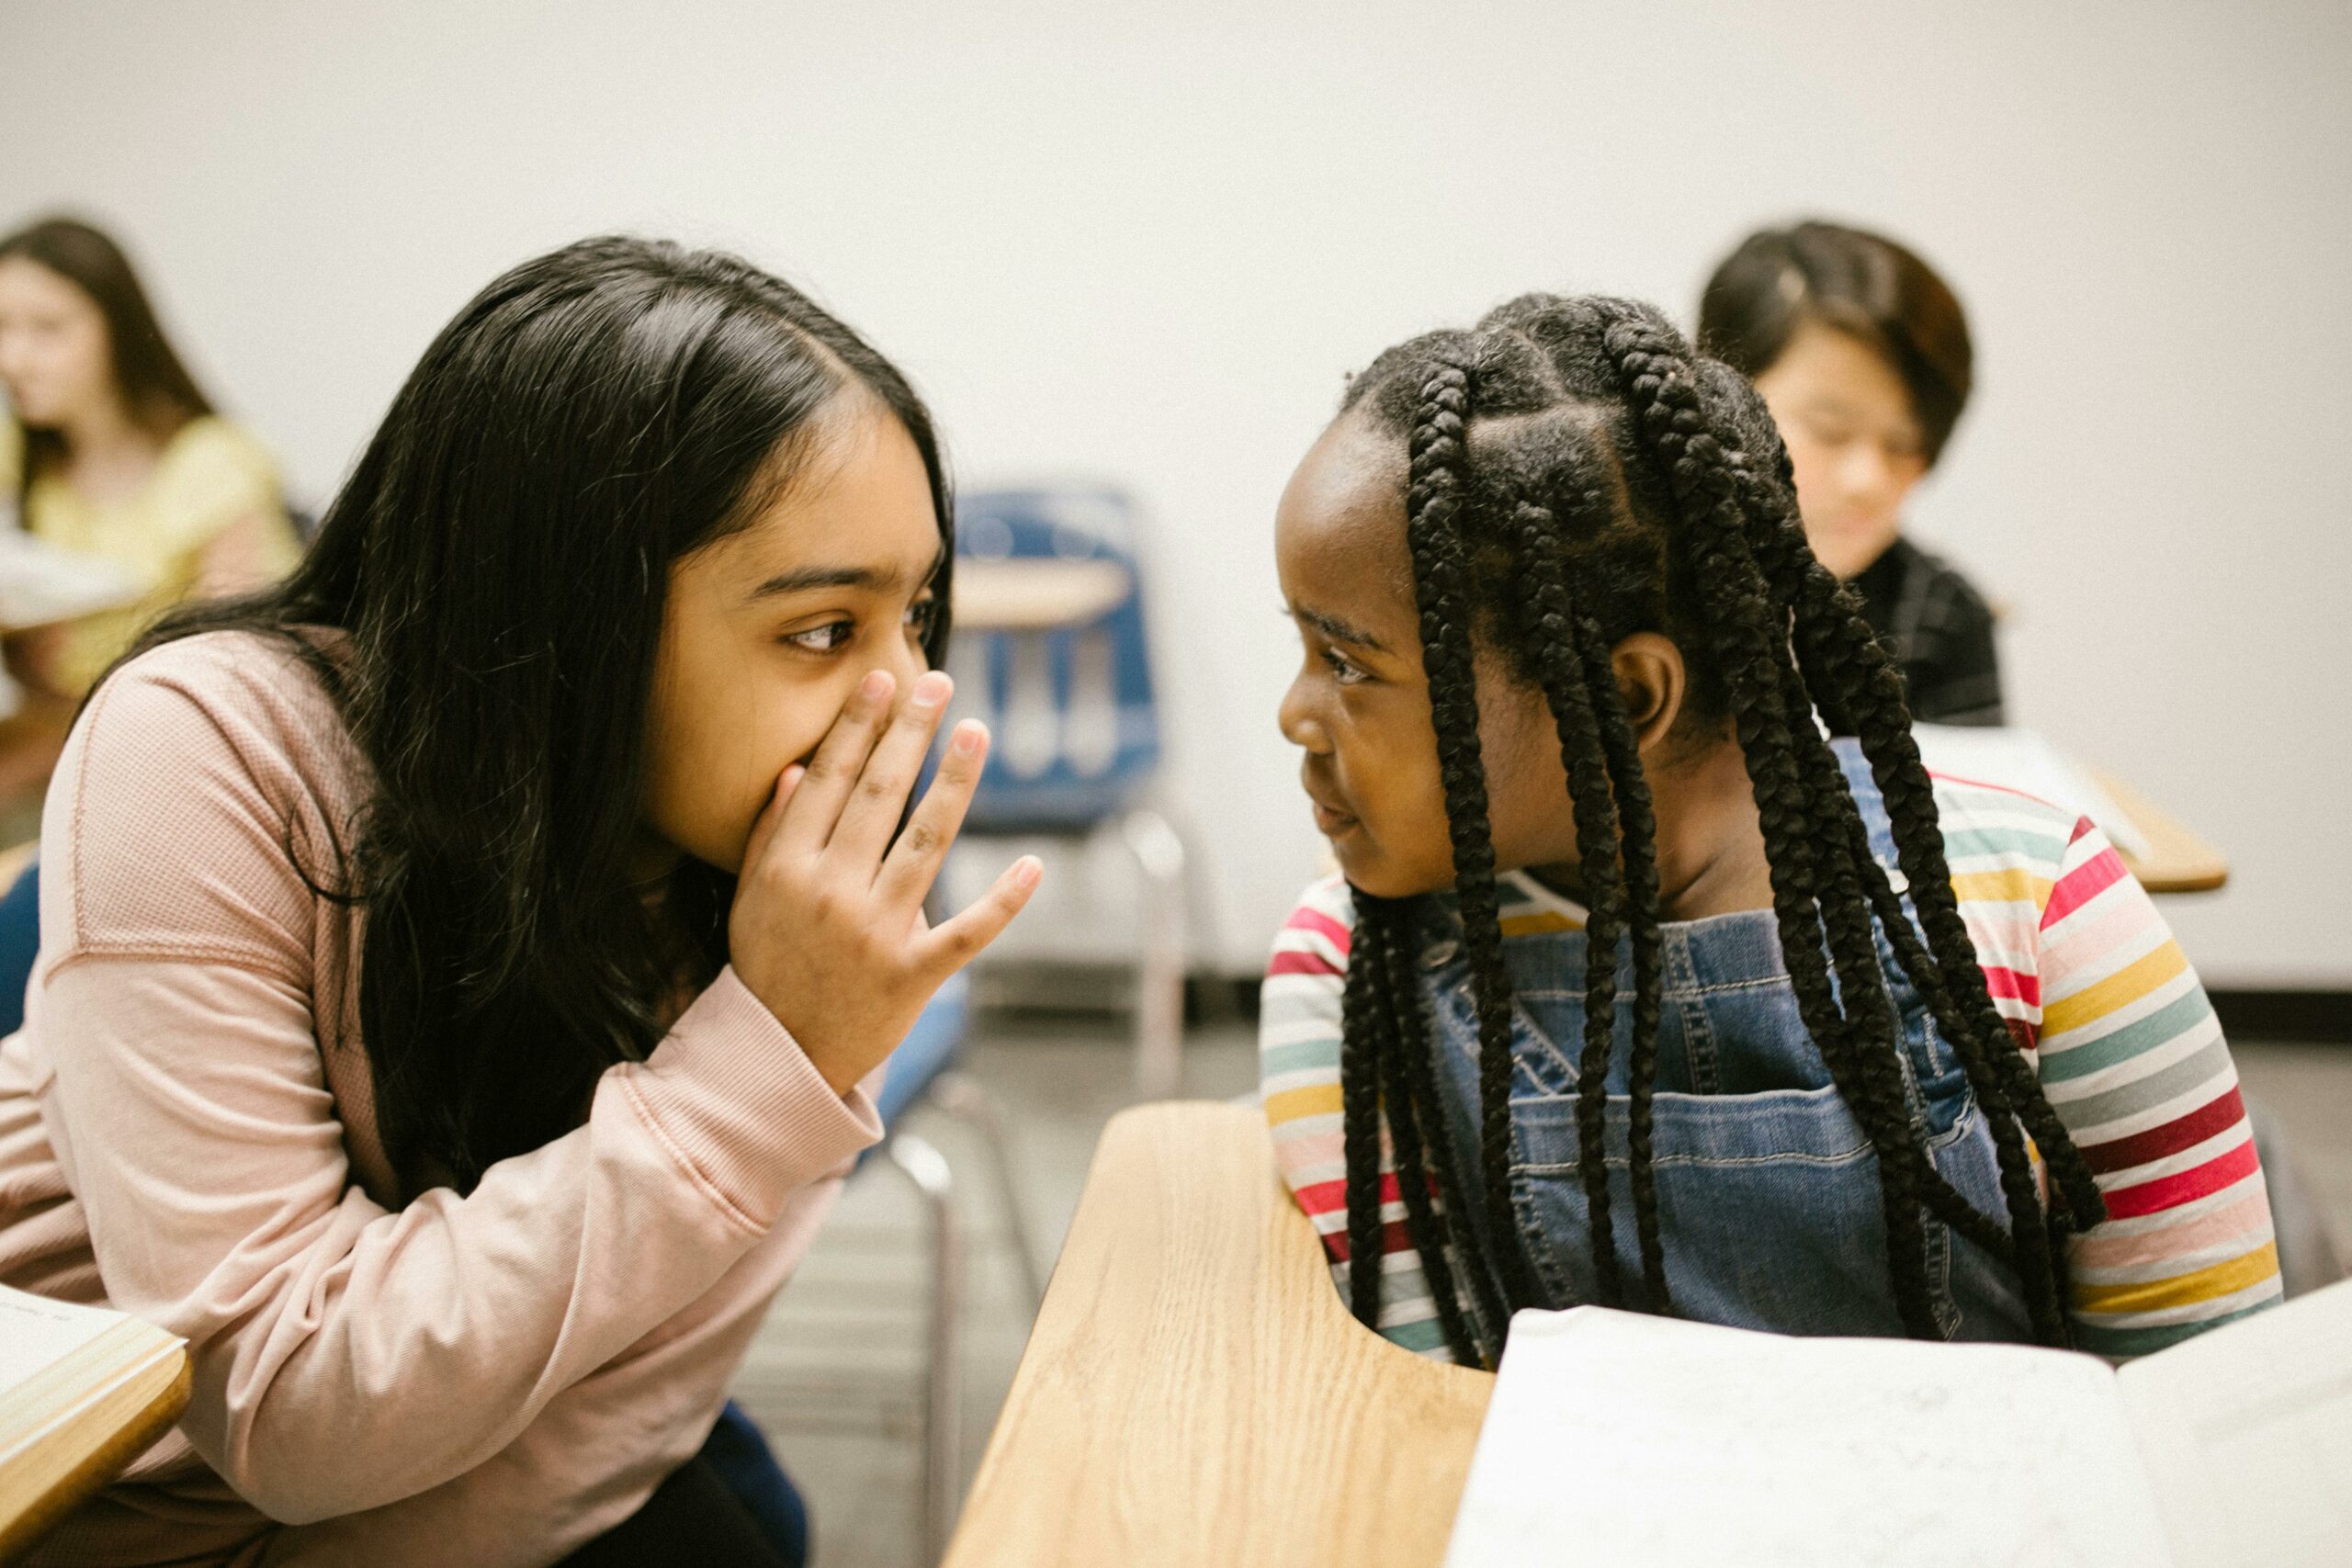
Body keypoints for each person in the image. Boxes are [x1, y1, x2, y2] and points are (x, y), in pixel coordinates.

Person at [0, 236, 1041, 1565]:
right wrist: (762, 1059)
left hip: (502, 1423)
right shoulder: (204, 744)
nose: (910, 694)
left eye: (920, 611)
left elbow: (616, 1425)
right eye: (825, 629)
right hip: (116, 1479)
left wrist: (784, 1033)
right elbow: (283, 1401)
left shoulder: (799, 895)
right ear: (569, 619)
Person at [1261, 295, 2278, 1371]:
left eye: (1349, 663)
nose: (1294, 713)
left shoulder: (2047, 914)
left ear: (1627, 698)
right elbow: (1424, 1401)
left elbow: (2193, 1403)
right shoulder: (1346, 963)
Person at [1699, 220, 2003, 725]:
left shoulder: (1939, 617)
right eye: (1830, 430)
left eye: (1905, 445)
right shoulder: (1624, 572)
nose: (1869, 481)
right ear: (1715, 394)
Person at [0, 218, 300, 702]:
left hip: (173, 731)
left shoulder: (215, 461)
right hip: (62, 728)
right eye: (1, 328)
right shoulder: (19, 448)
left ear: (116, 327)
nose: (13, 359)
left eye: (47, 329)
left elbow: (236, 667)